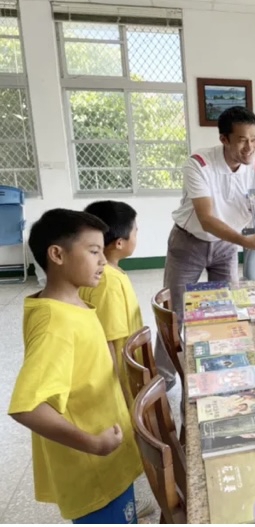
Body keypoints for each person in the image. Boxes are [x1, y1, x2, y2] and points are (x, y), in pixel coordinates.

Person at [8, 209, 142, 523]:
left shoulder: (72, 302)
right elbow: (28, 407)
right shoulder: (56, 323)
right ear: (56, 254)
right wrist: (93, 444)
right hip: (93, 467)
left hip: (110, 457)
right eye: (94, 252)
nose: (102, 261)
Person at [157, 106, 255, 388]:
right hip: (188, 243)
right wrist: (244, 241)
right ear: (224, 139)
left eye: (254, 139)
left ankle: (222, 368)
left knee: (227, 308)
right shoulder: (199, 163)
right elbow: (207, 218)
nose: (249, 147)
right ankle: (164, 380)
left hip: (227, 246)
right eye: (241, 140)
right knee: (176, 312)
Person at [78, 201, 141, 402]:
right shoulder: (107, 281)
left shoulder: (106, 274)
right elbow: (109, 342)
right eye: (135, 232)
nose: (137, 237)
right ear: (120, 243)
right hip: (119, 376)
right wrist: (120, 393)